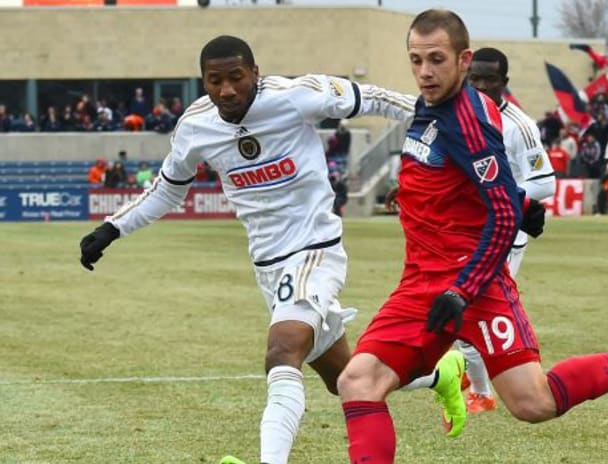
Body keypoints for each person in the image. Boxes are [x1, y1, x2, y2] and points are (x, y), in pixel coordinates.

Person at [337, 9, 608, 464]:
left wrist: (464, 288)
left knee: (533, 403)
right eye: (416, 60)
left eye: (436, 59)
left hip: (474, 286)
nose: (424, 72)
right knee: (358, 381)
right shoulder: (429, 105)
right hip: (421, 284)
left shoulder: (469, 121)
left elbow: (499, 215)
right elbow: (473, 184)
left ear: (464, 60)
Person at [78, 35, 419, 464]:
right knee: (348, 378)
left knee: (281, 351)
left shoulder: (296, 96)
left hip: (315, 250)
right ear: (202, 81)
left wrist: (441, 119)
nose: (226, 90)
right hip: (268, 266)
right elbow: (167, 189)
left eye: (236, 77)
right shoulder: (196, 125)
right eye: (214, 80)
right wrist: (112, 228)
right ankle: (442, 375)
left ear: (255, 73)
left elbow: (373, 97)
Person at [397, 47, 556, 414]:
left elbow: (544, 182)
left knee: (467, 315)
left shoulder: (520, 125)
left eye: (490, 80)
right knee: (456, 318)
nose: (481, 85)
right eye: (476, 78)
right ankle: (472, 384)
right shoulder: (457, 112)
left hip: (502, 235)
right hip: (458, 234)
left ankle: (481, 392)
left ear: (505, 83)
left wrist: (504, 199)